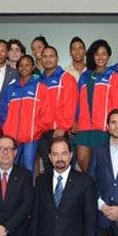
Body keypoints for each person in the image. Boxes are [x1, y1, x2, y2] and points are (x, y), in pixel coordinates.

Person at [75, 39, 118, 172]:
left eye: (103, 54)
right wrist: (75, 120)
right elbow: (78, 101)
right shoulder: (84, 76)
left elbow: (117, 104)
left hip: (103, 128)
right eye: (97, 54)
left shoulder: (113, 76)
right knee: (83, 164)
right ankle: (91, 191)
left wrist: (114, 125)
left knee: (101, 167)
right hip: (84, 126)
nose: (100, 57)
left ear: (108, 56)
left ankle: (99, 192)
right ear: (92, 56)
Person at [0, 55, 51, 174]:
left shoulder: (40, 88)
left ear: (33, 67)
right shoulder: (10, 89)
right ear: (17, 68)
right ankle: (12, 192)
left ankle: (27, 192)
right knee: (11, 165)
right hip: (11, 136)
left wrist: (37, 129)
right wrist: (6, 127)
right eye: (21, 65)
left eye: (27, 65)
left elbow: (46, 113)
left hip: (31, 137)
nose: (24, 68)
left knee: (28, 165)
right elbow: (3, 110)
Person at [38, 45, 79, 173]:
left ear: (57, 58)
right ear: (40, 59)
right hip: (43, 132)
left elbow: (71, 104)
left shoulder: (66, 78)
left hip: (60, 132)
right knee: (48, 167)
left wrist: (63, 127)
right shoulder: (39, 81)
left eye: (51, 56)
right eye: (45, 56)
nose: (48, 59)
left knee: (65, 168)